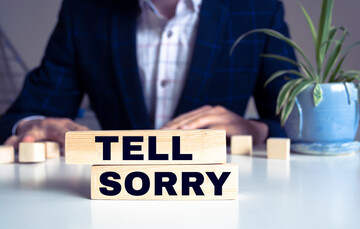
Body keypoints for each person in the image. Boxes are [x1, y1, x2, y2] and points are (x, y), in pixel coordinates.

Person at [0, 0, 296, 148]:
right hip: (113, 208)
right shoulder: (84, 10)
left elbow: (300, 125)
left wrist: (255, 130)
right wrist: (33, 127)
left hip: (222, 205)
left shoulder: (258, 8)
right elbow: (21, 117)